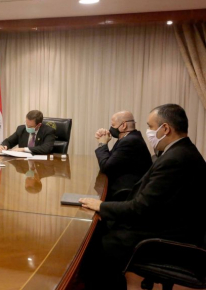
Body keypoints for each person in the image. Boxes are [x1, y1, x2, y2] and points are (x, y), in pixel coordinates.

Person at [80, 104, 206, 290]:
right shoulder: (181, 151)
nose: (147, 131)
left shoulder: (176, 159)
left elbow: (140, 208)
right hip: (168, 220)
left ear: (165, 129)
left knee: (96, 247)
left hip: (167, 234)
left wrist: (101, 206)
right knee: (99, 229)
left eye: (150, 127)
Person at [95, 111, 152, 200]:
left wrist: (102, 144)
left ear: (124, 125)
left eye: (113, 125)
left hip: (124, 191)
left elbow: (106, 167)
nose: (111, 129)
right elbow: (111, 159)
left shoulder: (130, 141)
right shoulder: (129, 137)